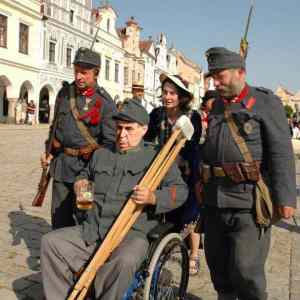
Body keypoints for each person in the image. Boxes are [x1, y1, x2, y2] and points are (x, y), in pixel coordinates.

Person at [41, 99, 187, 300]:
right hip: (93, 229)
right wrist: (83, 189)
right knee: (51, 243)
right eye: (119, 128)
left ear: (144, 129)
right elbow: (84, 177)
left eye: (129, 129)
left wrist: (153, 197)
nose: (122, 135)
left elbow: (180, 191)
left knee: (124, 261)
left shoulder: (156, 158)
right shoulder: (101, 153)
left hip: (130, 235)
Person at [202, 47, 296, 300]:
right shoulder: (216, 107)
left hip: (248, 202)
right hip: (214, 200)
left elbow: (281, 152)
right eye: (213, 77)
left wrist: (286, 199)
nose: (215, 83)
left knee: (246, 270)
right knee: (218, 268)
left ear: (240, 72)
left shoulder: (265, 102)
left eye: (220, 76)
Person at [40, 47, 117, 229]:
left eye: (84, 72)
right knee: (59, 220)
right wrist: (48, 152)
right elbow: (55, 127)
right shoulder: (65, 94)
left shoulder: (105, 103)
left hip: (85, 172)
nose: (79, 77)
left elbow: (109, 143)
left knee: (84, 219)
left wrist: (95, 171)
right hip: (61, 168)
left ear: (96, 73)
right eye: (76, 71)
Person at [144, 73, 203, 276]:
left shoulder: (192, 116)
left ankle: (194, 254)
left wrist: (179, 159)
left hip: (186, 171)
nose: (167, 96)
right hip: (161, 171)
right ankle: (164, 246)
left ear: (181, 96)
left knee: (191, 215)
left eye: (172, 93)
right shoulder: (156, 114)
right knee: (164, 210)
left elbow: (193, 144)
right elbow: (148, 139)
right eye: (165, 92)